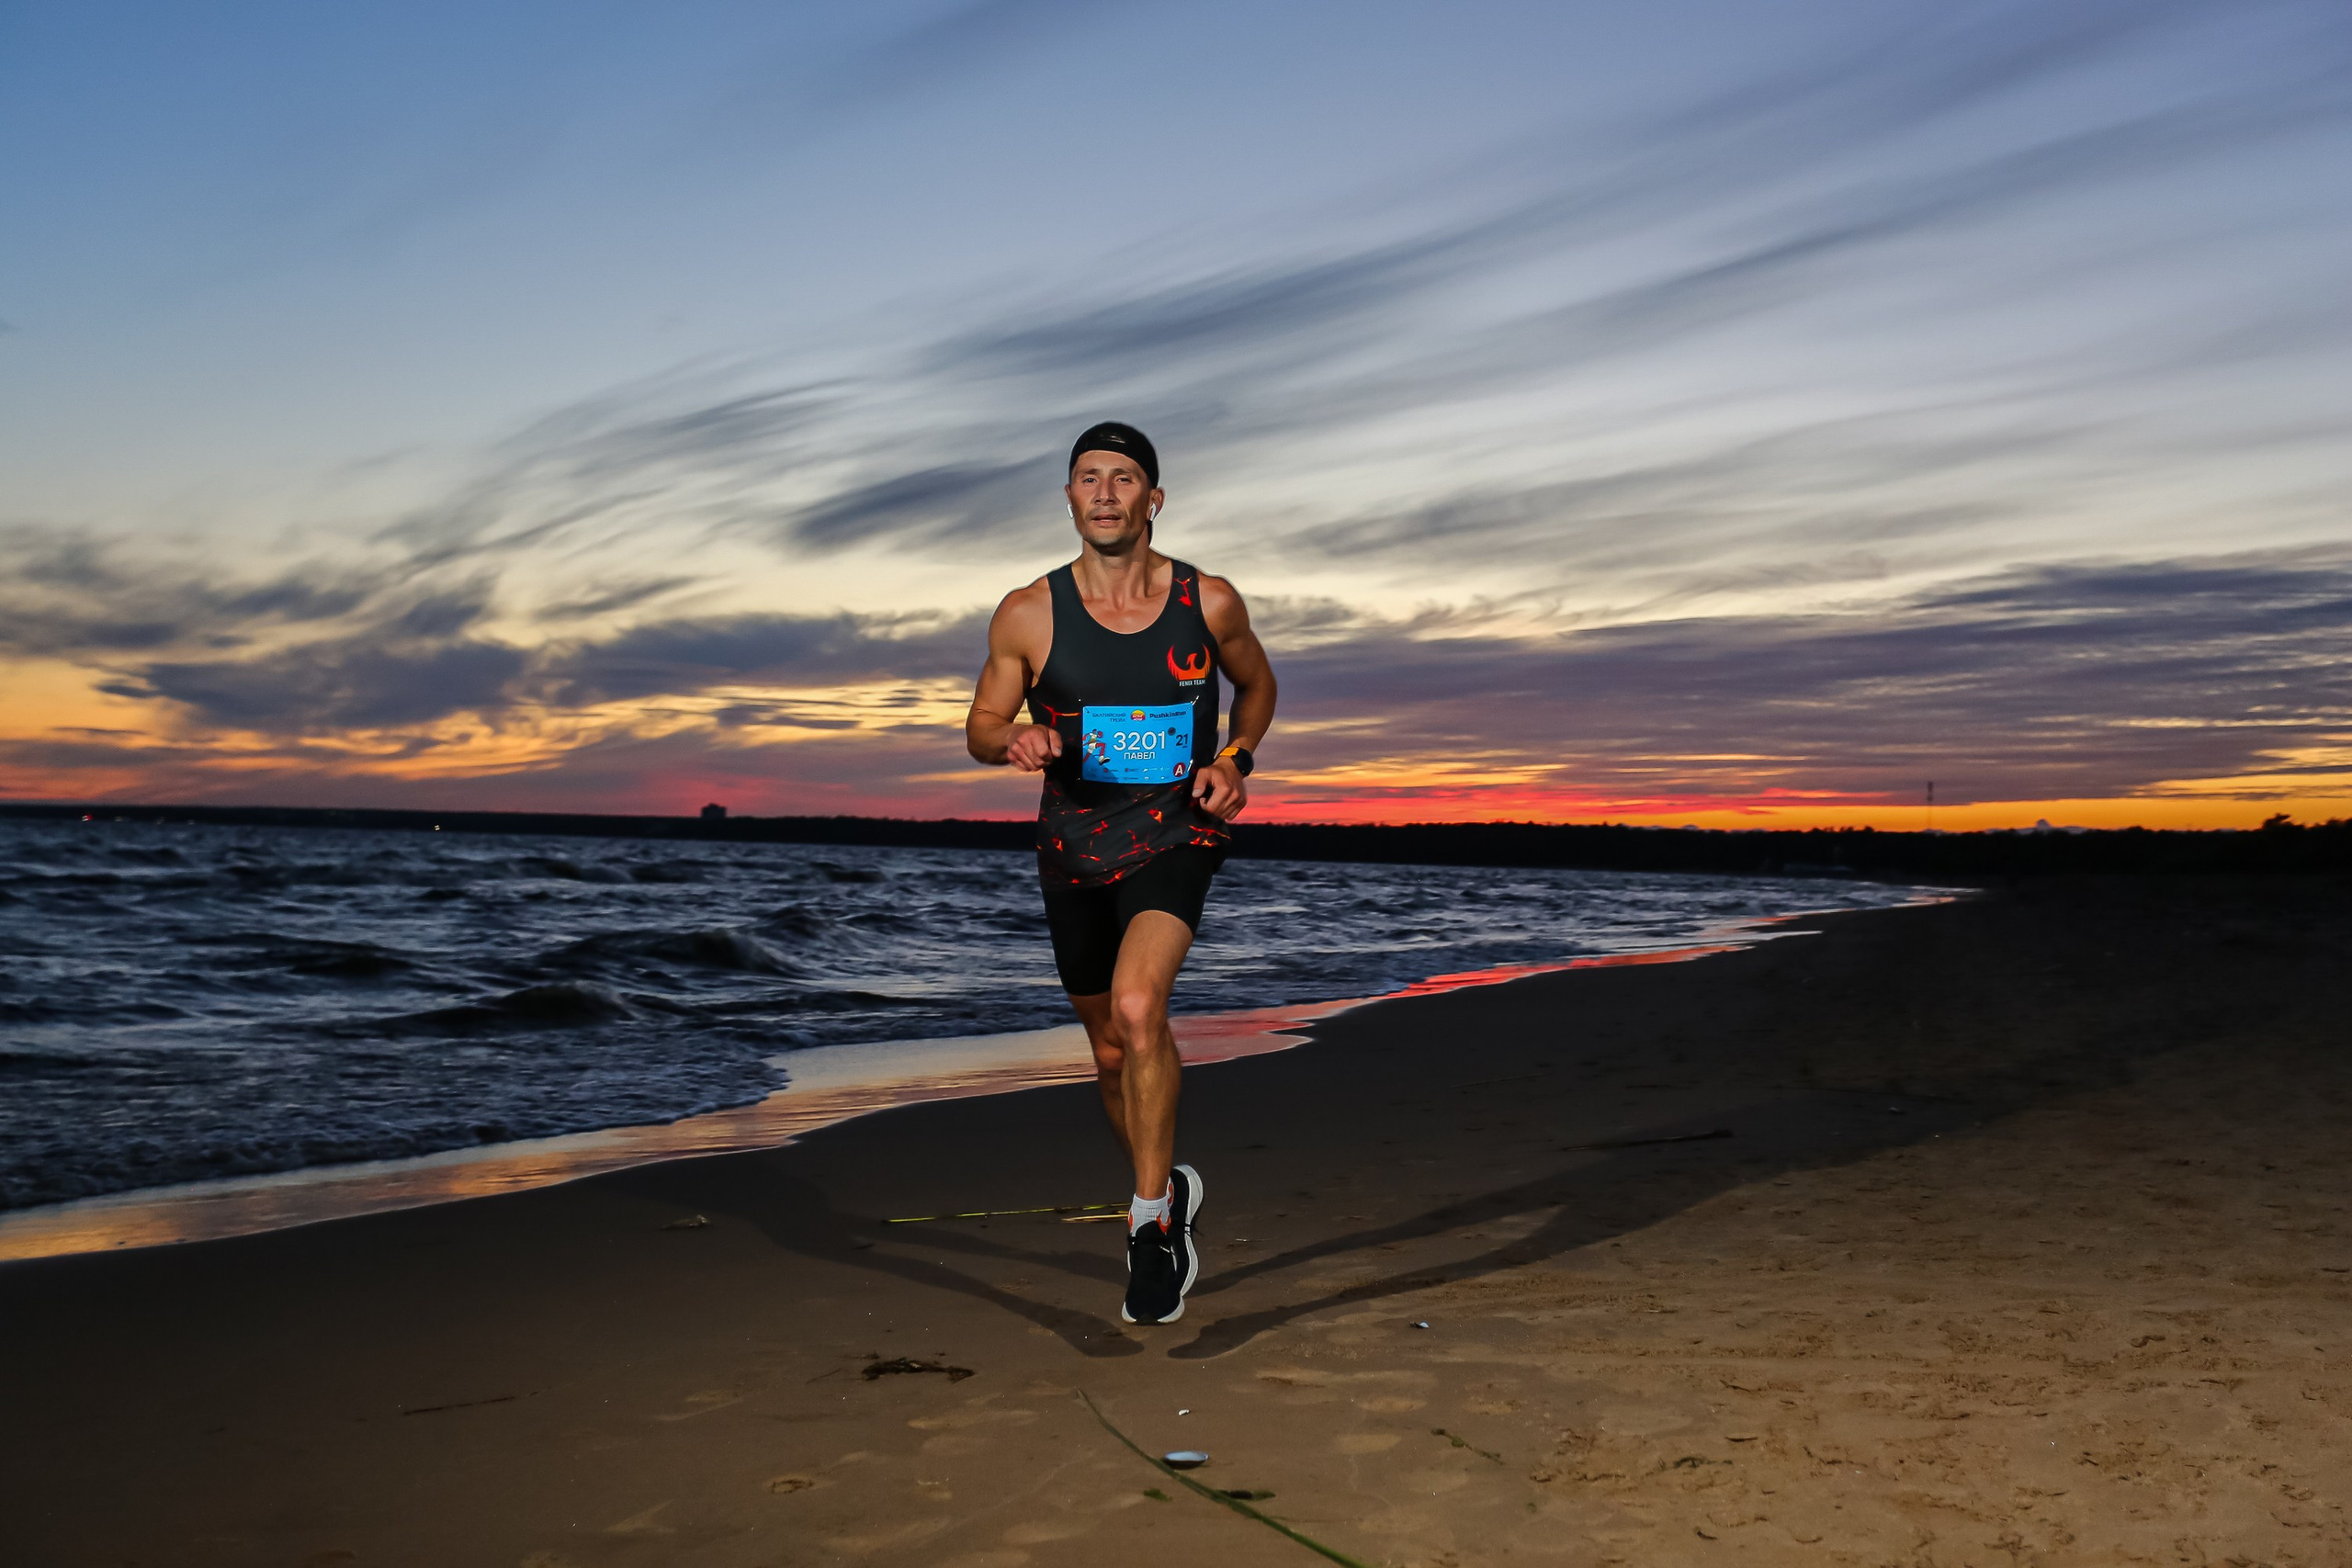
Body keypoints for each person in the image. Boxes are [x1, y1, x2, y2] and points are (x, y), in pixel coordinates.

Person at [965, 422, 1277, 1325]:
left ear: (1154, 498)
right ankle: (1167, 1183)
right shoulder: (1027, 611)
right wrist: (1010, 738)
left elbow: (1257, 688)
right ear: (1069, 499)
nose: (1105, 493)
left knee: (1141, 1009)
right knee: (1108, 1048)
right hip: (1072, 850)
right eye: (1088, 479)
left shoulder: (1206, 601)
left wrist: (1237, 758)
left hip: (1178, 835)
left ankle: (1148, 1224)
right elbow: (980, 727)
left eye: (1124, 478)